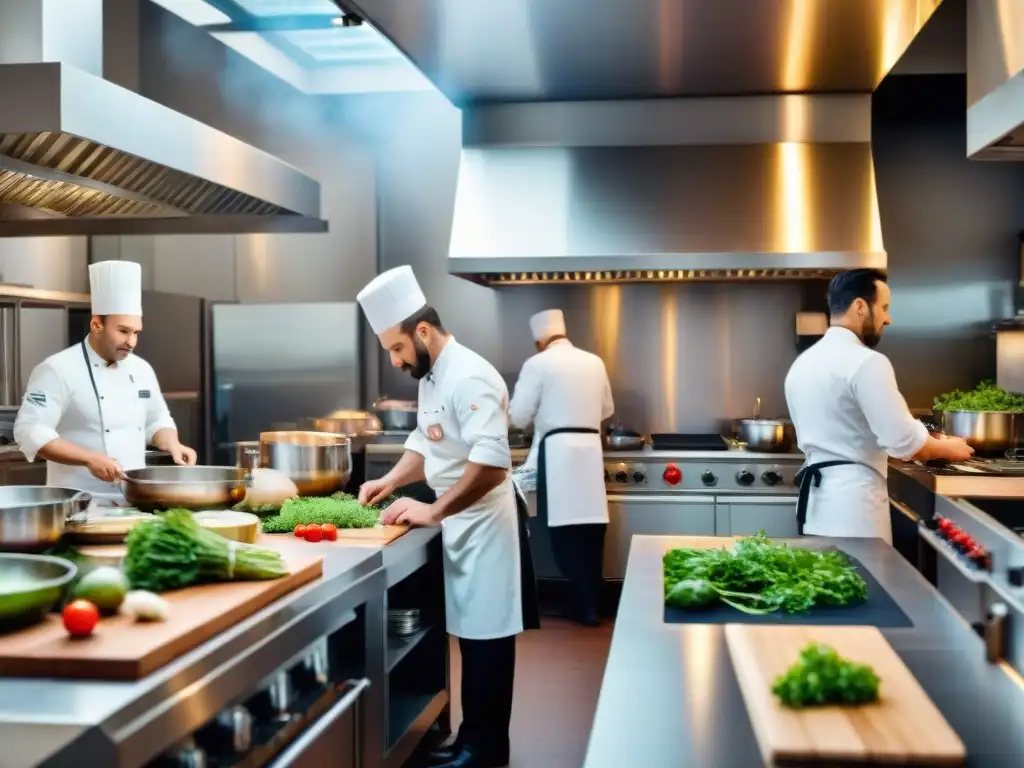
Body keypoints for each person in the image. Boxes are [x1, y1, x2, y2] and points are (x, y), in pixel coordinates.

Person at [356, 266, 539, 768]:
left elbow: (493, 464)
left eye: (395, 349)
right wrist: (390, 481)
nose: (394, 361)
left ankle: (484, 753)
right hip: (460, 524)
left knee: (489, 643)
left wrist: (434, 510)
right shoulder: (430, 375)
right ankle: (467, 741)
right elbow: (426, 440)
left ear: (422, 331)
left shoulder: (470, 374)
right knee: (470, 639)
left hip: (485, 525)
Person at [784, 269, 974, 542]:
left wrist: (924, 437)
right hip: (854, 511)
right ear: (860, 306)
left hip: (816, 507)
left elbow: (856, 430)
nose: (888, 318)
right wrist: (950, 448)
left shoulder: (803, 364)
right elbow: (903, 442)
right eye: (884, 307)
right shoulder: (866, 362)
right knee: (862, 582)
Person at [14, 261, 197, 501]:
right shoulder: (56, 370)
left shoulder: (141, 369)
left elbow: (157, 420)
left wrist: (173, 444)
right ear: (96, 325)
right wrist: (88, 458)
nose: (131, 342)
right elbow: (30, 430)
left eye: (136, 332)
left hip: (133, 502)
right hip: (77, 505)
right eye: (123, 331)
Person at [508, 309, 613, 626]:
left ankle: (580, 606)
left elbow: (518, 416)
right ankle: (591, 603)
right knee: (592, 528)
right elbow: (608, 408)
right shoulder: (594, 361)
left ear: (540, 340)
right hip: (591, 449)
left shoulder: (537, 364)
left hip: (556, 451)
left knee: (562, 530)